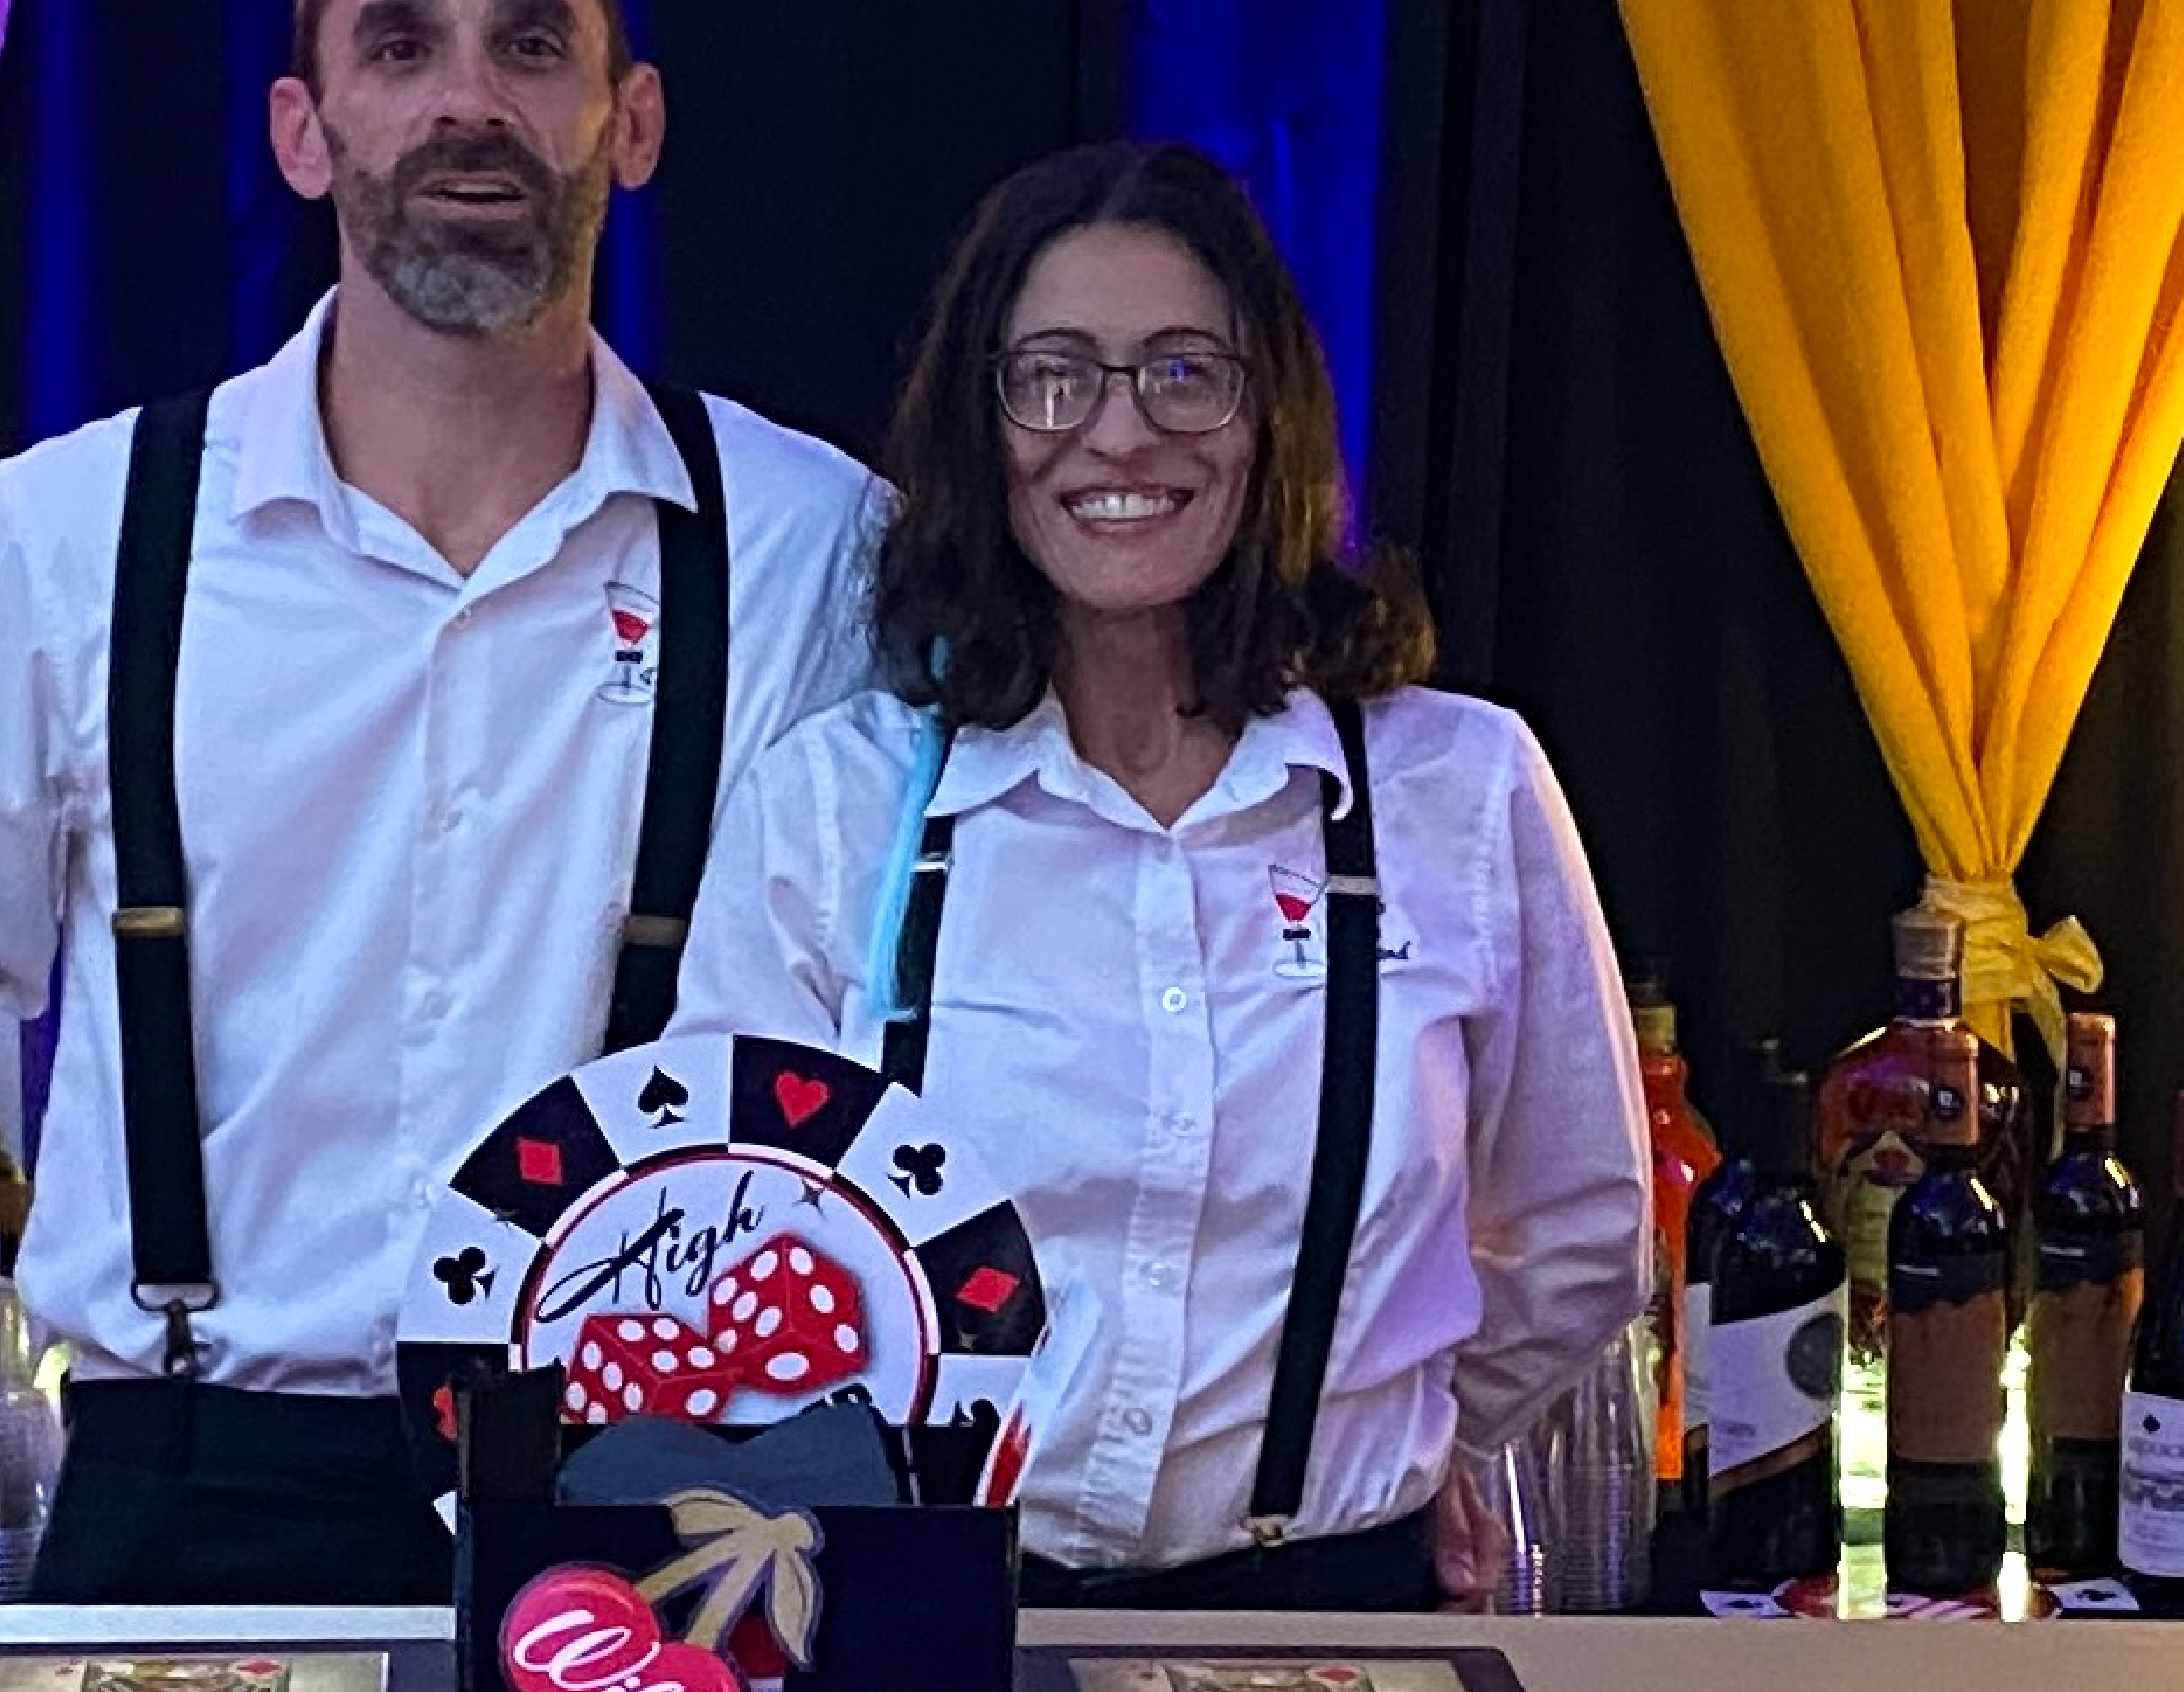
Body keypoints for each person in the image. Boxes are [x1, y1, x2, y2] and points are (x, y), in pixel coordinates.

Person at [0, 0, 879, 1605]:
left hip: (652, 1500)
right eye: (401, 46)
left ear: (634, 120)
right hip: (193, 1493)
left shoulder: (816, 549)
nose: (469, 102)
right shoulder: (70, 538)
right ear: (304, 129)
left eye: (532, 43)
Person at [676, 138, 1648, 1608]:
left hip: (1332, 1614)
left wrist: (1394, 1439)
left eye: (1185, 372)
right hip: (917, 1607)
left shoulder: (1461, 786)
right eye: (1053, 376)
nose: (1118, 434)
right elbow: (729, 1234)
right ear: (981, 426)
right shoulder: (836, 802)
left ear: (1269, 419)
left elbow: (1578, 1232)